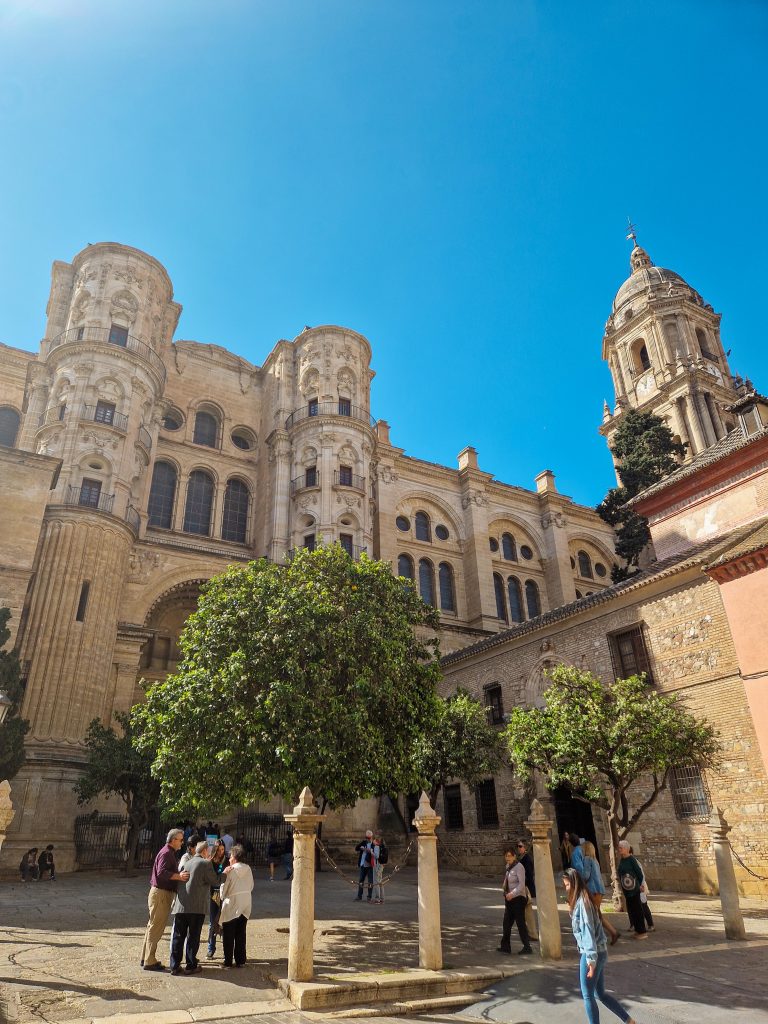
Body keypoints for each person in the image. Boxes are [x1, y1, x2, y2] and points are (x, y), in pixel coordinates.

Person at [562, 868, 637, 1024]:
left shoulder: (584, 902)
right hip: (600, 951)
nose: (566, 888)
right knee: (600, 994)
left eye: (568, 884)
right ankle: (629, 1020)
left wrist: (590, 960)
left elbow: (588, 930)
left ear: (575, 884)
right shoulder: (584, 899)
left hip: (593, 952)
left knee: (588, 995)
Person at [140, 828, 190, 972]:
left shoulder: (168, 852)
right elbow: (162, 872)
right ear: (173, 840)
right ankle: (150, 960)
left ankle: (146, 958)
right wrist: (179, 876)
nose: (182, 842)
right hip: (161, 894)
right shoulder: (167, 853)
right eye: (180, 839)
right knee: (156, 927)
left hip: (160, 893)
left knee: (152, 926)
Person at [170, 841, 220, 975]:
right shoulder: (205, 863)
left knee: (178, 936)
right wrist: (225, 873)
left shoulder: (188, 862)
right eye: (208, 851)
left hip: (181, 906)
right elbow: (215, 881)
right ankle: (191, 965)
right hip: (196, 907)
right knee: (193, 936)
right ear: (204, 851)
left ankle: (174, 966)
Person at [219, 843, 254, 968]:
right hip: (245, 903)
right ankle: (240, 960)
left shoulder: (231, 871)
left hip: (232, 903)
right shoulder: (248, 869)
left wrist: (223, 877)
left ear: (234, 857)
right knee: (240, 932)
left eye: (230, 856)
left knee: (228, 933)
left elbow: (223, 891)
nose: (229, 859)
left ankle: (228, 961)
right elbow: (251, 886)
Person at [581, 840, 619, 945]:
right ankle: (613, 932)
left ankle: (598, 937)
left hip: (592, 890)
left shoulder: (587, 859)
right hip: (599, 889)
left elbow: (585, 875)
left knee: (593, 914)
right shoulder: (595, 860)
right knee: (596, 913)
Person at [497, 846, 532, 956]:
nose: (507, 858)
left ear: (514, 856)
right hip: (509, 899)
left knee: (520, 922)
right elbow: (507, 881)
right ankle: (505, 946)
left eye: (509, 856)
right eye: (506, 856)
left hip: (518, 899)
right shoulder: (508, 866)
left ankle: (527, 946)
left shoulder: (519, 867)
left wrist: (512, 894)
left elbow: (521, 885)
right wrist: (505, 891)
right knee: (506, 923)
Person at [617, 840, 647, 939]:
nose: (619, 849)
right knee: (632, 911)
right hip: (627, 890)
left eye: (621, 848)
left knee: (637, 910)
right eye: (619, 847)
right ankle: (637, 930)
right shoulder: (622, 860)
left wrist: (641, 885)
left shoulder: (631, 860)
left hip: (634, 889)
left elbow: (639, 873)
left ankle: (642, 931)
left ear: (626, 849)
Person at [206, 839, 228, 958]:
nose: (221, 852)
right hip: (214, 893)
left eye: (222, 849)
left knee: (225, 921)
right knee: (213, 922)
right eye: (218, 850)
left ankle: (226, 949)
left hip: (225, 893)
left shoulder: (227, 860)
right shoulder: (210, 862)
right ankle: (211, 947)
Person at [354, 830, 375, 902]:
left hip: (370, 866)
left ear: (371, 837)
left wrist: (369, 851)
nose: (367, 839)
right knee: (361, 881)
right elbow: (356, 848)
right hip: (363, 864)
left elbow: (375, 854)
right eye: (366, 838)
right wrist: (361, 847)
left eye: (369, 838)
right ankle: (359, 896)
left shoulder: (374, 844)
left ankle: (369, 897)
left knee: (370, 881)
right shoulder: (363, 842)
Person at [372, 834, 387, 904]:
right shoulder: (383, 847)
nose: (373, 841)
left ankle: (377, 898)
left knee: (376, 882)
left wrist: (372, 852)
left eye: (374, 839)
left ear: (377, 841)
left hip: (377, 865)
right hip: (381, 865)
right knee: (380, 882)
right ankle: (382, 898)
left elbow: (377, 856)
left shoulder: (376, 847)